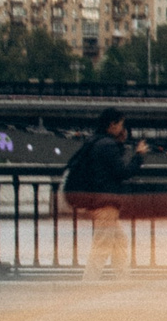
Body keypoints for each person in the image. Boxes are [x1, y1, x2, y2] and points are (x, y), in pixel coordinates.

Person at [63, 108, 147, 279]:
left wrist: (120, 144)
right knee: (101, 247)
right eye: (121, 124)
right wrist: (138, 156)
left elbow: (108, 167)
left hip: (97, 200)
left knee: (119, 242)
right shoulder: (107, 145)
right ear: (112, 125)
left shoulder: (96, 142)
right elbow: (122, 171)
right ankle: (88, 284)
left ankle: (123, 280)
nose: (123, 129)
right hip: (105, 202)